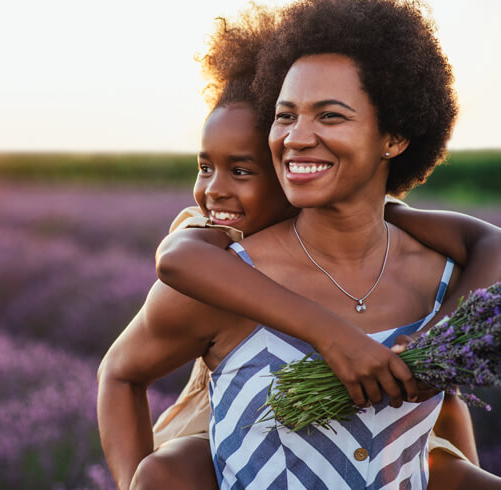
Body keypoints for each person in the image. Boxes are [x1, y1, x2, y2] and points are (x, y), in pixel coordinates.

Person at [97, 1, 500, 488]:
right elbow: (125, 363)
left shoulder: (436, 270)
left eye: (330, 116)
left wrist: (438, 339)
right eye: (285, 115)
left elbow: (447, 407)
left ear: (393, 137)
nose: (297, 137)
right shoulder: (224, 278)